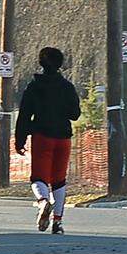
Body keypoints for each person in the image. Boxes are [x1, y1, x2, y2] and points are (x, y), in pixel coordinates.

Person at [15, 47, 80, 234]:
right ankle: (57, 222)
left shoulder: (34, 86)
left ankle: (43, 201)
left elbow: (25, 115)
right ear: (61, 64)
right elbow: (75, 114)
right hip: (63, 137)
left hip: (42, 137)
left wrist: (20, 139)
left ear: (41, 63)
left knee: (38, 177)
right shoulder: (67, 87)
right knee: (59, 180)